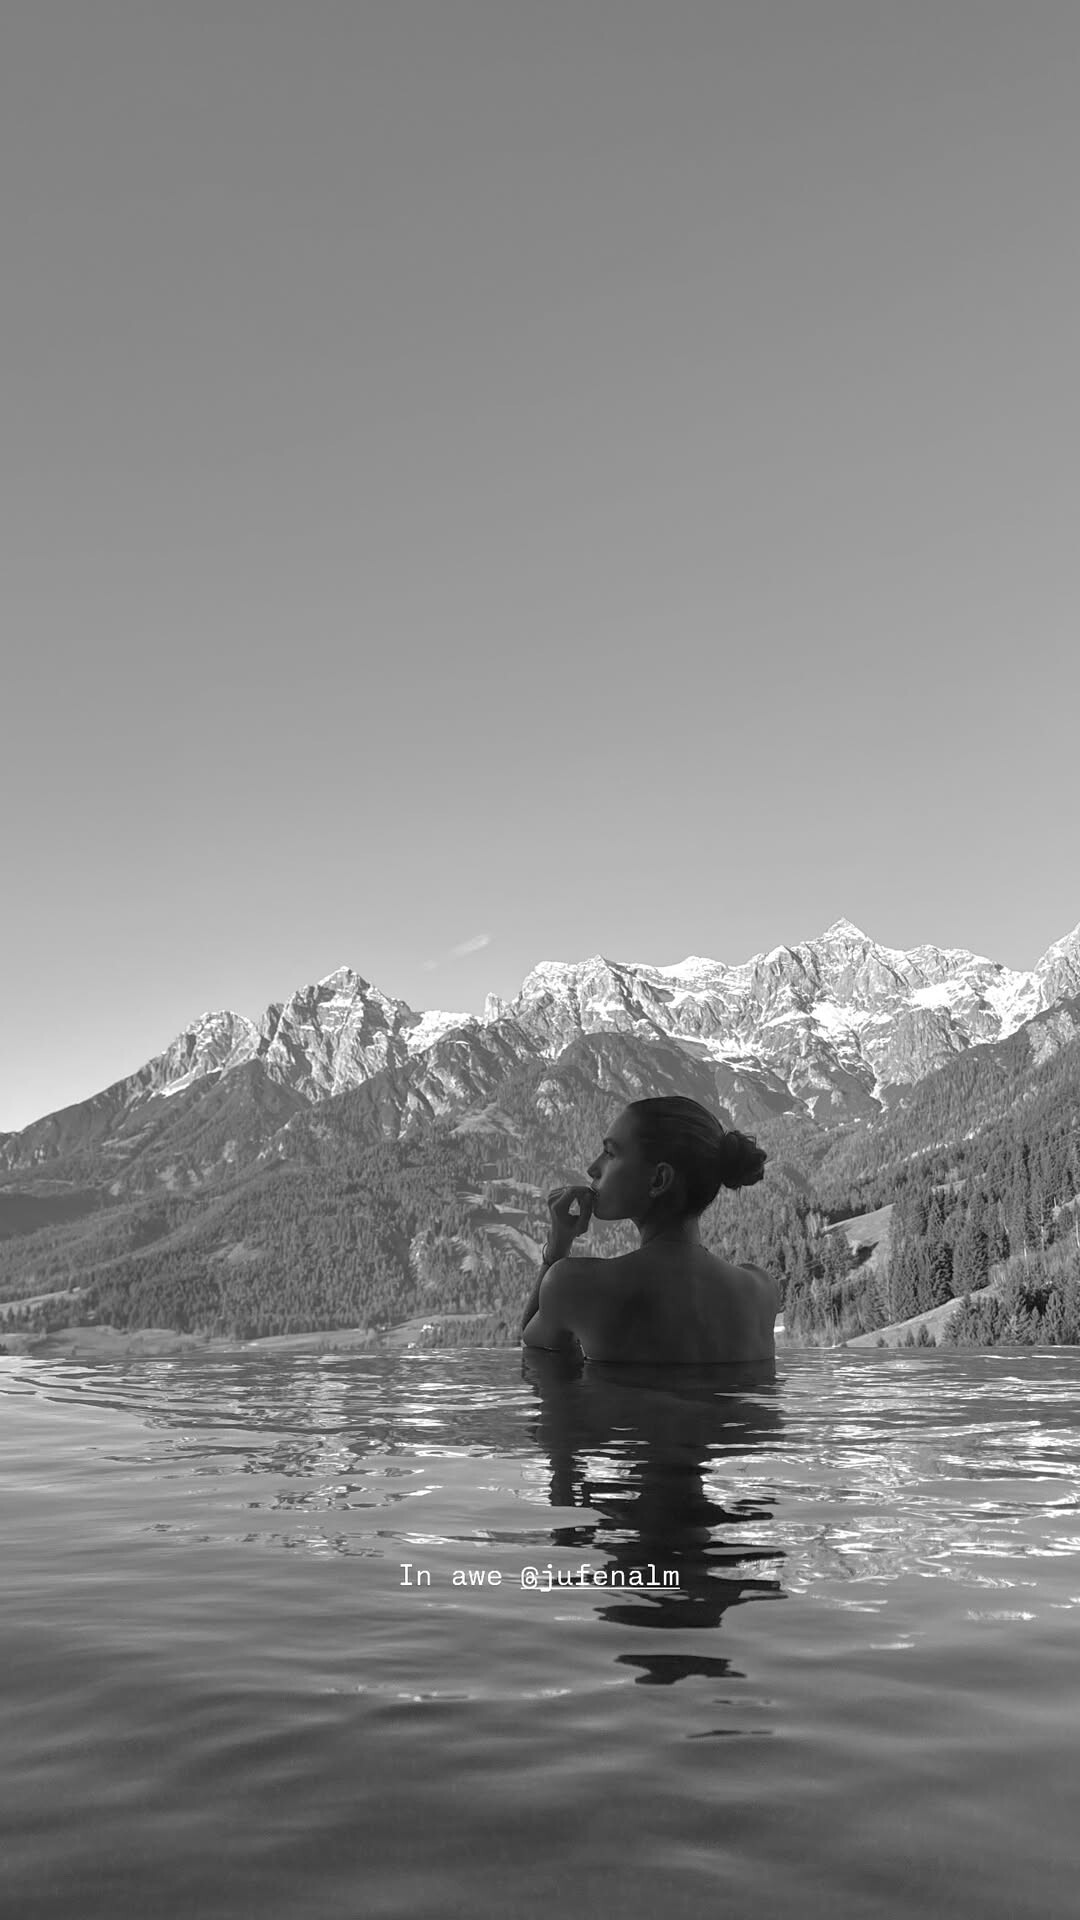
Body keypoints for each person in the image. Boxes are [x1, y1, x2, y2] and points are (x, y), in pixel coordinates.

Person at [520, 1095, 778, 1365]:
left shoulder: (575, 1285)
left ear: (658, 1180)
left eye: (610, 1153)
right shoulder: (762, 1290)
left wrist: (557, 1247)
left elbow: (535, 1353)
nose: (593, 1168)